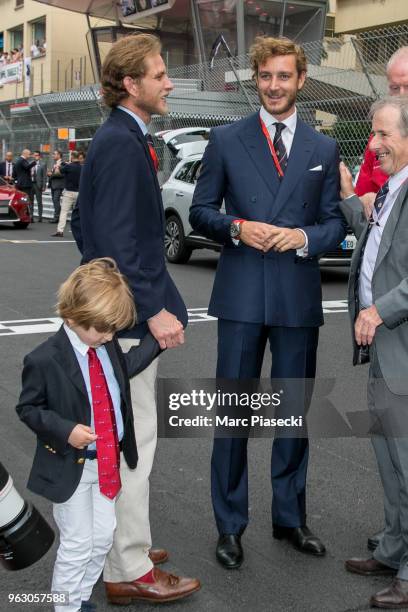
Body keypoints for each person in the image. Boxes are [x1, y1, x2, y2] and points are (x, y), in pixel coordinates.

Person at [189, 36, 345, 569]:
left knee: (294, 417)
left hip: (297, 297)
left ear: (301, 80)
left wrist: (304, 239)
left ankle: (290, 518)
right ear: (254, 81)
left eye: (284, 76)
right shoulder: (227, 139)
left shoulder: (324, 149)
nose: (274, 86)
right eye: (265, 77)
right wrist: (236, 227)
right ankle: (229, 526)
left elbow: (333, 223)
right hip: (240, 297)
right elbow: (201, 211)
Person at [74, 33, 200, 604]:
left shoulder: (117, 136)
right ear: (131, 83)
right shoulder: (124, 142)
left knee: (125, 438)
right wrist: (152, 312)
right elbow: (125, 243)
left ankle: (127, 541)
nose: (168, 81)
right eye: (159, 73)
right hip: (128, 323)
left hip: (116, 316)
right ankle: (127, 567)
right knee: (134, 444)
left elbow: (87, 229)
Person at [16, 258, 162, 612]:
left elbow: (121, 371)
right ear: (71, 318)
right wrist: (66, 431)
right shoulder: (45, 359)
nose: (111, 337)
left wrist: (157, 342)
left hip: (107, 463)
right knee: (78, 543)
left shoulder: (105, 343)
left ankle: (80, 599)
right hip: (72, 467)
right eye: (103, 330)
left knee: (100, 540)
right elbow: (28, 408)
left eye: (113, 330)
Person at [339, 96, 408, 609]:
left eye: (383, 134)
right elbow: (376, 245)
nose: (373, 144)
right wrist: (348, 199)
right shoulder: (392, 189)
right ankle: (393, 547)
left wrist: (379, 309)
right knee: (389, 458)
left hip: (399, 344)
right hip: (381, 350)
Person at [355, 46, 408, 221]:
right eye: (394, 88)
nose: (401, 95)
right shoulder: (377, 140)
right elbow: (361, 193)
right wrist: (366, 199)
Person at [53, 151, 82, 237]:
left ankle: (60, 231)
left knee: (64, 212)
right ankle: (81, 230)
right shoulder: (82, 167)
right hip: (79, 192)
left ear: (72, 157)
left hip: (68, 192)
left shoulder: (68, 166)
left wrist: (58, 165)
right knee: (79, 213)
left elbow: (57, 173)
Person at [13, 149, 36, 221]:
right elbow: (27, 167)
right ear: (25, 154)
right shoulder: (22, 160)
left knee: (21, 200)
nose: (29, 156)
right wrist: (35, 162)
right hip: (26, 184)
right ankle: (29, 217)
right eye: (29, 154)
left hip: (19, 183)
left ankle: (21, 216)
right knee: (29, 200)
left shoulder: (17, 161)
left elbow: (14, 174)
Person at [48, 150, 65, 224]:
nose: (53, 156)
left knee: (56, 201)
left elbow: (62, 174)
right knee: (55, 201)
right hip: (53, 185)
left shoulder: (63, 163)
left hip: (58, 185)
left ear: (59, 155)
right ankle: (57, 216)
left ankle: (57, 217)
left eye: (54, 154)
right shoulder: (55, 164)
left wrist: (51, 174)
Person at [31, 150, 47, 222]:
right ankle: (31, 216)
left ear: (39, 156)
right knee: (31, 201)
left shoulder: (43, 164)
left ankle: (40, 217)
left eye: (36, 155)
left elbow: (44, 176)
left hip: (38, 185)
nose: (35, 156)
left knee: (39, 201)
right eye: (34, 155)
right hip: (31, 184)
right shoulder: (30, 163)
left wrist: (44, 186)